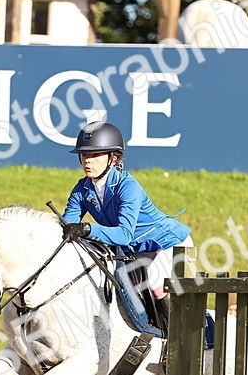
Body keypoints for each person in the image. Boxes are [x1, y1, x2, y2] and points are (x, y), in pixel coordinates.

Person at [61, 122, 192, 301]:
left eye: (95, 154)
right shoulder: (81, 189)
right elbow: (67, 226)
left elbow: (123, 235)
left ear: (113, 159)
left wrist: (87, 229)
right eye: (84, 155)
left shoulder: (128, 187)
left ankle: (176, 329)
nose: (88, 160)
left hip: (168, 244)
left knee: (153, 282)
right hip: (135, 250)